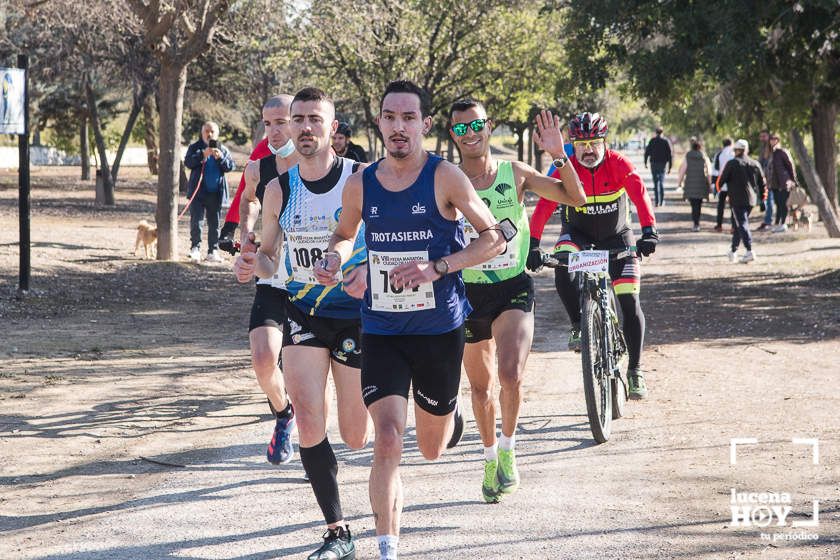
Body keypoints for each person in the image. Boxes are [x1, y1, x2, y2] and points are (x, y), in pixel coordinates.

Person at [316, 80, 504, 560]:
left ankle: (447, 410)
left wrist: (437, 267)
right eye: (390, 118)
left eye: (408, 119)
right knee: (387, 437)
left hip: (439, 329)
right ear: (379, 122)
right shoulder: (361, 182)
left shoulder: (445, 178)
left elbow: (493, 238)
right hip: (380, 327)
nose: (399, 128)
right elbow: (343, 232)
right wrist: (336, 258)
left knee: (433, 446)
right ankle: (387, 548)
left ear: (423, 124)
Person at [248, 87, 371, 560]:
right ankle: (337, 531)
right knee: (306, 412)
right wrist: (249, 265)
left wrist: (358, 269)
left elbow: (387, 240)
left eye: (314, 119)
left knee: (356, 435)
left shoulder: (360, 179)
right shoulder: (279, 188)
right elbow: (269, 257)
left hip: (356, 314)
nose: (303, 127)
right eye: (296, 119)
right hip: (304, 311)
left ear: (332, 128)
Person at [448, 99, 585, 503]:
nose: (470, 134)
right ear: (453, 135)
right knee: (480, 387)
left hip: (513, 286)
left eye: (476, 125)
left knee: (511, 374)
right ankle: (489, 456)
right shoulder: (447, 179)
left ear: (489, 126)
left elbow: (573, 198)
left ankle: (508, 448)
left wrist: (560, 156)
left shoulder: (515, 173)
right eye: (460, 129)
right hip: (468, 292)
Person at [527, 112, 659, 400]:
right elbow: (544, 206)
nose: (588, 150)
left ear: (604, 142)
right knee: (562, 262)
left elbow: (640, 194)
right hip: (578, 236)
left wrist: (649, 231)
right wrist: (533, 244)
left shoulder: (619, 164)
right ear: (572, 144)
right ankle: (578, 324)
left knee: (629, 301)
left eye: (594, 143)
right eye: (581, 144)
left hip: (617, 238)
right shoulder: (564, 167)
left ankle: (635, 369)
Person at [232, 95, 299, 467]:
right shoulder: (258, 167)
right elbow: (249, 200)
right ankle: (283, 413)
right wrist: (246, 230)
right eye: (267, 123)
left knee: (311, 373)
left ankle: (315, 446)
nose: (273, 131)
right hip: (273, 276)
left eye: (281, 122)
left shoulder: (317, 164)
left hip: (313, 284)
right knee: (262, 359)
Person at [184, 121, 235, 262]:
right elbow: (188, 162)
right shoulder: (195, 147)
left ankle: (213, 251)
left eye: (212, 131)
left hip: (215, 193)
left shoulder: (222, 149)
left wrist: (221, 158)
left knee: (214, 224)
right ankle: (195, 249)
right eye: (207, 131)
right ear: (202, 132)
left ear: (217, 134)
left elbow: (230, 166)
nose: (209, 134)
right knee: (196, 222)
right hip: (198, 192)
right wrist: (202, 155)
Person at [717, 139, 766, 263]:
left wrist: (717, 191)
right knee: (740, 224)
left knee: (742, 224)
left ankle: (749, 250)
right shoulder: (755, 164)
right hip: (751, 200)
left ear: (737, 150)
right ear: (747, 150)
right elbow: (762, 183)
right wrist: (763, 200)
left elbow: (720, 181)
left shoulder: (732, 163)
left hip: (737, 199)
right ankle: (733, 251)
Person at [677, 137, 712, 231]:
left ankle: (695, 223)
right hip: (701, 184)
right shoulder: (704, 156)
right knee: (699, 204)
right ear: (700, 147)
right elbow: (709, 171)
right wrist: (710, 184)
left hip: (690, 184)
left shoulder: (688, 156)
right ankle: (697, 223)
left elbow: (682, 170)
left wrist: (679, 183)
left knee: (693, 204)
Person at [767, 133, 797, 232]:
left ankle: (783, 224)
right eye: (771, 139)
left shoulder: (782, 151)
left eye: (774, 139)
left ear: (778, 140)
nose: (772, 140)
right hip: (774, 184)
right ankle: (777, 224)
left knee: (783, 204)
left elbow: (790, 166)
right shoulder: (772, 153)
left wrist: (793, 180)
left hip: (784, 183)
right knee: (778, 204)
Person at [644, 126, 672, 207]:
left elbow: (647, 152)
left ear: (656, 132)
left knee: (656, 182)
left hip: (653, 164)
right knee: (661, 182)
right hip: (662, 164)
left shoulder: (652, 141)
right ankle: (661, 201)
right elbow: (669, 155)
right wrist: (670, 167)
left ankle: (657, 201)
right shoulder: (665, 141)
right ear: (662, 132)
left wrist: (645, 163)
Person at [713, 138, 735, 232]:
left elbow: (715, 170)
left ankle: (719, 225)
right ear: (731, 144)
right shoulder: (734, 154)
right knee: (733, 206)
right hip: (732, 183)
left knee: (720, 205)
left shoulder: (719, 154)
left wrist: (715, 185)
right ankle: (734, 226)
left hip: (721, 183)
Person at [756, 130, 775, 231]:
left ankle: (769, 221)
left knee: (769, 200)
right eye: (760, 137)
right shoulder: (763, 148)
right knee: (767, 200)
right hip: (765, 178)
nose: (761, 139)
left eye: (764, 136)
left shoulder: (773, 149)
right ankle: (767, 220)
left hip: (772, 179)